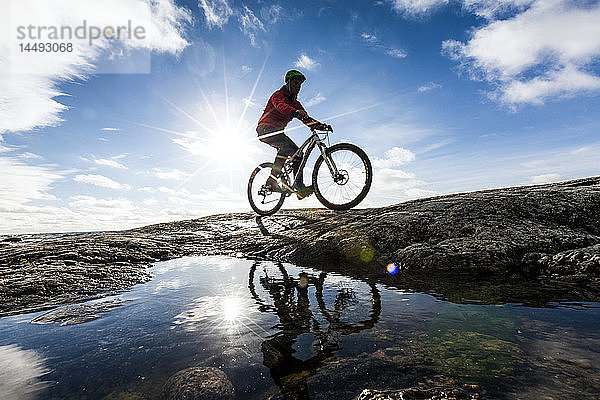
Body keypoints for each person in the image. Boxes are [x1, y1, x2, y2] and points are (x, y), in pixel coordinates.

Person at [256, 69, 331, 199]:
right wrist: (295, 112)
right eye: (295, 83)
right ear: (288, 82)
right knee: (285, 147)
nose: (298, 87)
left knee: (298, 155)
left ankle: (299, 188)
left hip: (278, 132)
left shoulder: (296, 103)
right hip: (265, 129)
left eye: (300, 85)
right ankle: (272, 182)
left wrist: (320, 126)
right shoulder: (278, 95)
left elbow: (306, 119)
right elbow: (281, 106)